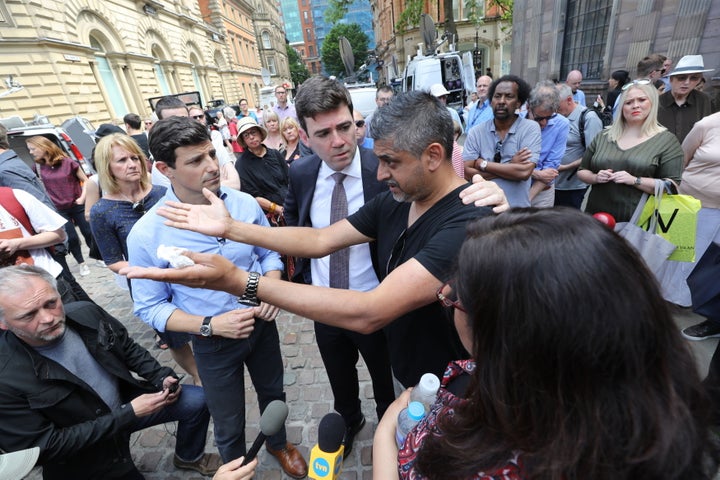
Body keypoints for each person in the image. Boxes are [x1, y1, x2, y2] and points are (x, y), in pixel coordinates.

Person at [121, 91, 510, 391]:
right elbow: (321, 239)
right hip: (409, 364)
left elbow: (371, 310)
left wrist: (242, 282)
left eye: (391, 161)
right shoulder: (398, 200)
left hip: (451, 380)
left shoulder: (467, 223)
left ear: (433, 155)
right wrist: (231, 228)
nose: (380, 173)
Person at [372, 208, 718, 480]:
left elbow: (398, 426)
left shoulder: (487, 463)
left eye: (458, 296)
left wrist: (387, 436)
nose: (446, 294)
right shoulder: (643, 410)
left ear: (515, 334)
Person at [127, 116, 307, 478]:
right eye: (195, 160)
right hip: (211, 341)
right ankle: (237, 469)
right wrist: (209, 325)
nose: (212, 166)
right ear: (165, 169)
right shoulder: (147, 233)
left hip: (260, 325)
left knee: (274, 393)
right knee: (227, 418)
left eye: (211, 154)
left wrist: (270, 283)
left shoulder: (242, 204)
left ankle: (278, 444)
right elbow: (150, 306)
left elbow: (267, 254)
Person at [0, 264, 220, 479]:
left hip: (126, 406)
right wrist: (128, 414)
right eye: (28, 315)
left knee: (197, 400)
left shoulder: (86, 313)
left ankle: (189, 456)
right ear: (4, 323)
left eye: (51, 303)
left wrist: (159, 375)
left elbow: (125, 346)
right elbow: (45, 447)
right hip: (85, 450)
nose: (48, 318)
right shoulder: (6, 377)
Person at [283, 76, 395, 455]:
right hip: (325, 304)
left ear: (355, 119)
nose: (339, 141)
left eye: (345, 127)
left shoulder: (384, 169)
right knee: (339, 377)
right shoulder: (300, 173)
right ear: (304, 136)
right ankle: (349, 422)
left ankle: (390, 433)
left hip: (376, 302)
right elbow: (296, 228)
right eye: (324, 133)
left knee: (386, 380)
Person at [89, 133, 201, 384]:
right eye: (121, 160)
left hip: (186, 272)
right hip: (149, 283)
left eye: (134, 157)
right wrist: (150, 271)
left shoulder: (163, 193)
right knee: (174, 335)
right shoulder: (102, 211)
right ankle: (198, 375)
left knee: (202, 322)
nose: (131, 164)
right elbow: (112, 260)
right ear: (107, 167)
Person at [578, 79, 683, 222]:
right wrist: (596, 178)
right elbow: (582, 170)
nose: (635, 106)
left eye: (641, 100)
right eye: (628, 102)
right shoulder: (605, 136)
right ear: (622, 107)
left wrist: (635, 180)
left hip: (638, 222)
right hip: (596, 217)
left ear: (652, 103)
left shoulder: (667, 141)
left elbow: (671, 186)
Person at [662, 111, 720, 338]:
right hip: (691, 203)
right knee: (677, 255)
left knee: (712, 265)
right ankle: (669, 302)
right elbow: (682, 160)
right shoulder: (707, 125)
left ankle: (710, 317)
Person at [463, 74, 542, 207]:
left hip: (516, 212)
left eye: (509, 96)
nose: (501, 101)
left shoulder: (530, 128)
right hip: (483, 210)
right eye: (497, 96)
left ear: (519, 103)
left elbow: (523, 172)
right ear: (491, 100)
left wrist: (483, 164)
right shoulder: (476, 132)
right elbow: (467, 173)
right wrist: (511, 165)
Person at [27, 136, 93, 277]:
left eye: (33, 149)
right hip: (58, 209)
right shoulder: (37, 168)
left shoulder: (68, 163)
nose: (31, 152)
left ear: (44, 147)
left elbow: (86, 181)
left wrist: (82, 198)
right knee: (72, 238)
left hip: (77, 204)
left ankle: (97, 255)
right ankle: (81, 262)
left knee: (88, 232)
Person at [554, 83, 603, 209]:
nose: (554, 109)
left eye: (557, 106)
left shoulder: (589, 118)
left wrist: (565, 167)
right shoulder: (558, 117)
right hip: (554, 183)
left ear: (569, 100)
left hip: (573, 186)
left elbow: (594, 155)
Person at [526, 80, 569, 207]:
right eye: (539, 118)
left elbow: (551, 168)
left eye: (549, 117)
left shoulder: (562, 124)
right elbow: (508, 163)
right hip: (515, 188)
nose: (544, 123)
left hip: (542, 193)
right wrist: (537, 173)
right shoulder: (516, 123)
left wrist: (527, 200)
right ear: (528, 108)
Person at [234, 117, 289, 218]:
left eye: (253, 132)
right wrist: (277, 209)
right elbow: (252, 196)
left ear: (260, 133)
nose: (251, 137)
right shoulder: (241, 164)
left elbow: (289, 179)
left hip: (290, 204)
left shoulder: (275, 154)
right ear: (243, 140)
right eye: (246, 135)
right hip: (270, 215)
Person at [657, 54, 713, 143]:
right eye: (681, 78)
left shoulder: (705, 101)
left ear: (699, 81)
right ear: (671, 79)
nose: (687, 82)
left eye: (694, 78)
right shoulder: (657, 102)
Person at [188, 105, 241, 190]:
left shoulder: (215, 135)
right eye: (194, 117)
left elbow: (235, 183)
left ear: (205, 117)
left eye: (200, 116)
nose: (198, 119)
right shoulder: (186, 145)